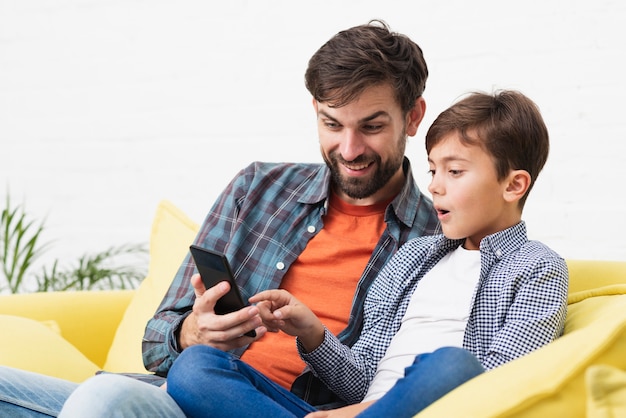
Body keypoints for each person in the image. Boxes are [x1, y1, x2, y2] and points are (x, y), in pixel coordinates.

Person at [0, 20, 439, 417]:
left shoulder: (438, 237)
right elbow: (156, 343)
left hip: (278, 408)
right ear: (315, 111)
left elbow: (395, 387)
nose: (349, 148)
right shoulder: (259, 189)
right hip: (172, 398)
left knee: (103, 400)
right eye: (332, 124)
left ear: (413, 116)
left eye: (372, 127)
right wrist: (195, 331)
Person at [163, 90, 569, 418]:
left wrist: (355, 415)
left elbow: (501, 381)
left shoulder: (537, 267)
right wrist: (311, 331)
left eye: (455, 171)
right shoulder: (414, 257)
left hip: (426, 407)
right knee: (196, 368)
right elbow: (360, 377)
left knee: (454, 366)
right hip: (357, 409)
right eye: (432, 170)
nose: (436, 187)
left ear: (513, 185)